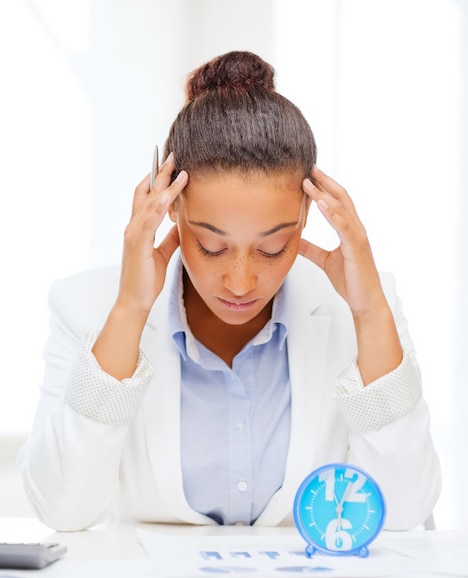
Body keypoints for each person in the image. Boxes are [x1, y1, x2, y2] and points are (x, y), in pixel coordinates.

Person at [18, 51, 441, 532]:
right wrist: (130, 312)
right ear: (170, 211)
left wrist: (370, 315)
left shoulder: (361, 307)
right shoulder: (86, 306)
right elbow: (61, 510)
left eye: (274, 247)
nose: (240, 282)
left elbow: (405, 512)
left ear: (306, 218)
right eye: (212, 247)